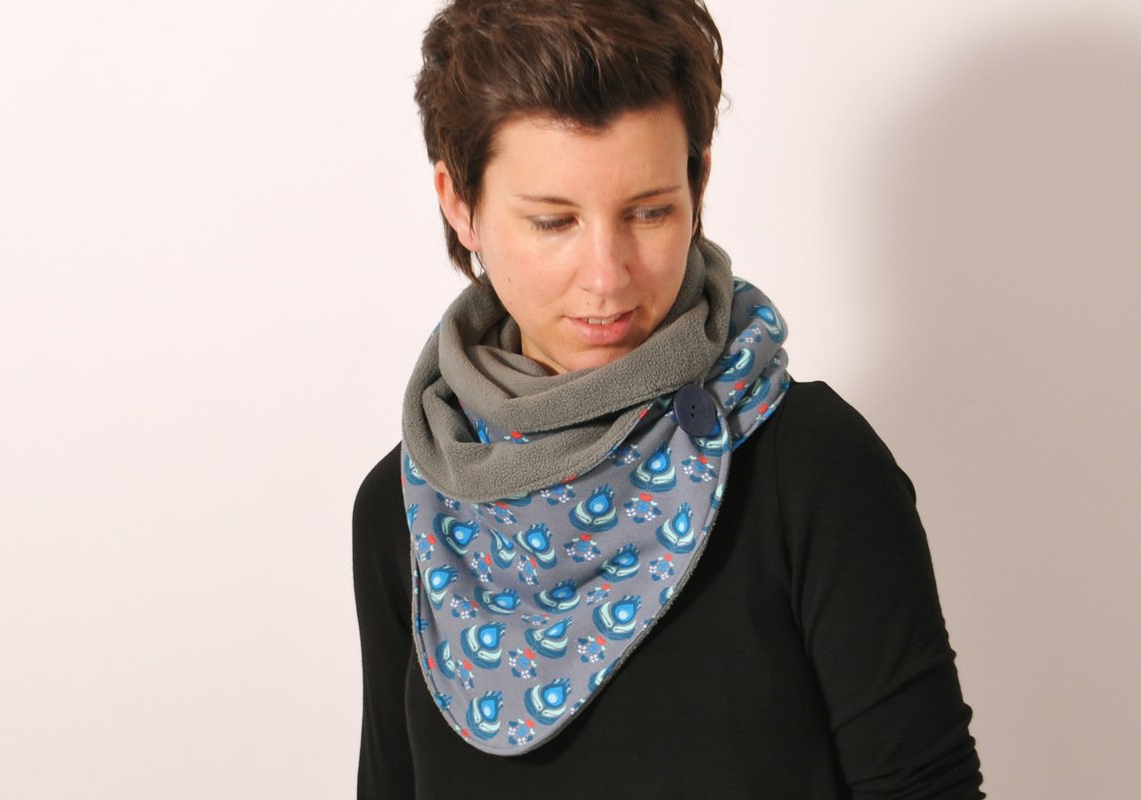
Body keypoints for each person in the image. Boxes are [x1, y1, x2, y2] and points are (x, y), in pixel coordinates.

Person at [352, 1, 984, 796]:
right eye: (553, 222)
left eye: (649, 211)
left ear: (698, 182)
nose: (607, 276)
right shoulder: (405, 509)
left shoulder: (810, 469)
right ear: (459, 204)